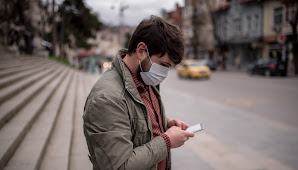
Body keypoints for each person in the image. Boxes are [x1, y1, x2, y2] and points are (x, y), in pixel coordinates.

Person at [83, 15, 194, 170]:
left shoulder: (144, 77)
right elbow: (119, 166)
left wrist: (164, 123)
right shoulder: (107, 99)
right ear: (141, 51)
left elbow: (137, 117)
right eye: (163, 65)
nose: (165, 73)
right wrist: (167, 141)